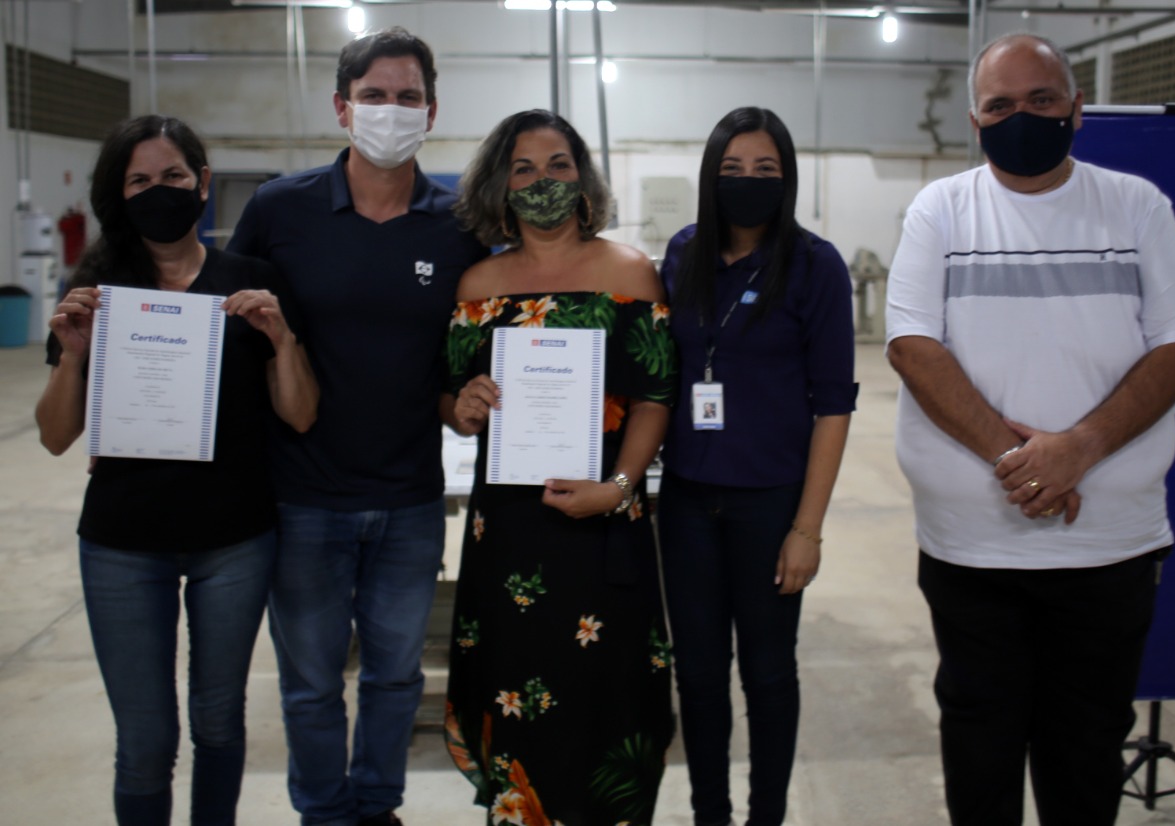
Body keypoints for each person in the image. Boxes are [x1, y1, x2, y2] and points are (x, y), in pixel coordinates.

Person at [885, 33, 1175, 826]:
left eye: (1041, 99)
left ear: (1077, 109)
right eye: (999, 105)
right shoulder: (940, 209)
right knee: (979, 750)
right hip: (971, 550)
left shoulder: (1137, 205)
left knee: (1086, 755)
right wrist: (1025, 462)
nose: (1020, 116)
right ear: (974, 120)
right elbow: (913, 347)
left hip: (1109, 549)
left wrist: (1079, 449)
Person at [226, 26, 488, 826]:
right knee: (309, 684)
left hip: (409, 497)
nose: (390, 110)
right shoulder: (281, 209)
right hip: (303, 497)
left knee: (394, 678)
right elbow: (224, 332)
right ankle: (323, 812)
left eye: (408, 97)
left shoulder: (459, 226)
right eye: (373, 96)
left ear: (432, 111)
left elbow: (465, 358)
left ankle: (376, 808)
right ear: (341, 107)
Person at [34, 114, 317, 826]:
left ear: (202, 183)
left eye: (173, 176)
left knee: (219, 722)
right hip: (123, 544)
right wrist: (73, 355)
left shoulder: (251, 283)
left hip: (234, 540)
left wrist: (282, 340)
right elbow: (56, 436)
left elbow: (300, 415)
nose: (158, 191)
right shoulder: (99, 292)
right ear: (119, 193)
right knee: (145, 741)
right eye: (139, 181)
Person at [441, 109, 676, 826]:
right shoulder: (478, 285)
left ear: (582, 179)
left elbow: (655, 396)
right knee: (516, 701)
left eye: (558, 165)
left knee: (609, 703)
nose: (542, 180)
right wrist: (464, 406)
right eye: (524, 168)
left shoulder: (631, 273)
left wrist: (619, 488)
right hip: (510, 535)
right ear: (501, 186)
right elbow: (451, 397)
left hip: (605, 524)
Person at [656, 107, 857, 826]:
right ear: (710, 176)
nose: (748, 181)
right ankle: (710, 815)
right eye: (732, 168)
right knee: (698, 675)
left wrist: (808, 528)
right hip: (686, 501)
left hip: (771, 503)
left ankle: (766, 817)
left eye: (765, 169)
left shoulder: (815, 265)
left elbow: (834, 405)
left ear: (787, 177)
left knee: (769, 674)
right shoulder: (683, 254)